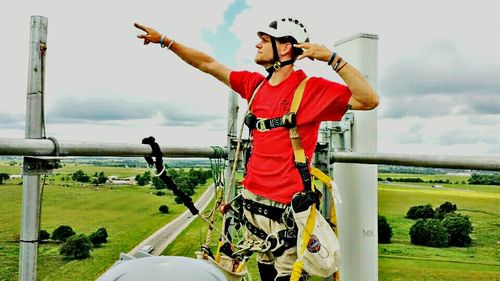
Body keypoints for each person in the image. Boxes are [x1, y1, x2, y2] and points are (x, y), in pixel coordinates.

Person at [135, 17, 379, 281]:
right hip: (252, 205)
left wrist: (332, 58)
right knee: (264, 272)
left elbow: (369, 100)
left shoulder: (310, 90)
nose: (257, 43)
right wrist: (165, 41)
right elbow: (208, 64)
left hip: (287, 213)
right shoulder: (255, 86)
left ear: (285, 47)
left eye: (265, 40)